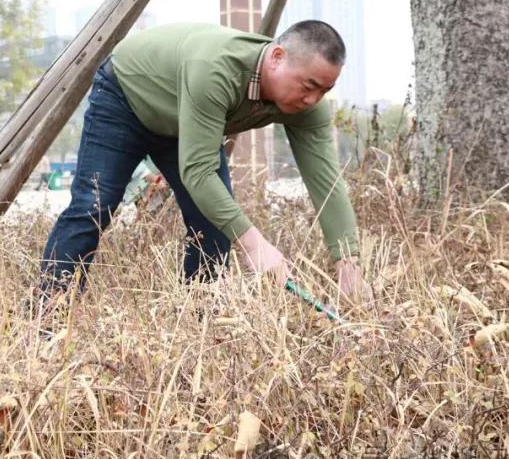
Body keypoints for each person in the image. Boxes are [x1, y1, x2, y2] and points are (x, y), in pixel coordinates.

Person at [39, 20, 371, 302]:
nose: (313, 99)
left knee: (213, 223)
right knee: (94, 206)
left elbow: (327, 184)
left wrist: (348, 265)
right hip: (125, 97)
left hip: (187, 119)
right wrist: (255, 246)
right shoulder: (216, 69)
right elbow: (198, 172)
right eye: (309, 86)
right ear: (277, 57)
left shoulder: (307, 108)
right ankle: (50, 313)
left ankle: (200, 317)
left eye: (324, 91)